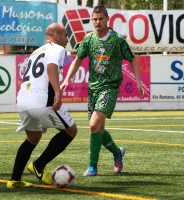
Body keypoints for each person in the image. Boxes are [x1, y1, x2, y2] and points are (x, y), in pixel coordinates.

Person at [60, 6, 144, 176]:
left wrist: (138, 82)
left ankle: (92, 167)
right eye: (95, 19)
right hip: (93, 89)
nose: (97, 22)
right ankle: (117, 153)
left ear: (107, 19)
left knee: (92, 126)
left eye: (100, 19)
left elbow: (133, 60)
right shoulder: (88, 39)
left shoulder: (117, 40)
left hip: (110, 88)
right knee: (98, 129)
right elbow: (78, 60)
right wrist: (67, 78)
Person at [7, 23, 78, 188]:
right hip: (40, 99)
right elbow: (51, 67)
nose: (67, 39)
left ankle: (14, 180)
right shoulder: (58, 49)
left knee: (33, 138)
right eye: (65, 35)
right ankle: (39, 164)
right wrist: (58, 93)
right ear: (56, 36)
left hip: (23, 99)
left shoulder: (36, 51)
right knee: (71, 130)